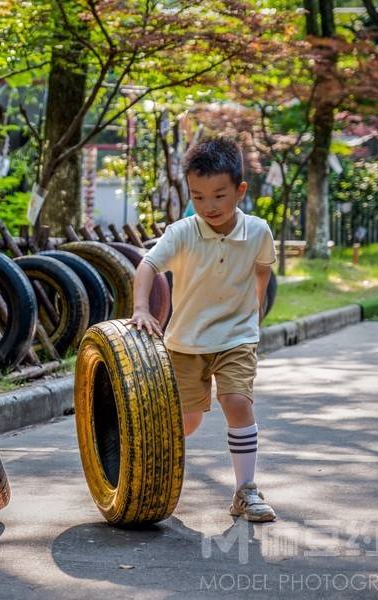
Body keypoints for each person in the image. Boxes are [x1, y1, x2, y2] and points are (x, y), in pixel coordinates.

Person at [129, 137, 277, 522]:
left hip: (237, 337)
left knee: (237, 402)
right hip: (186, 340)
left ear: (240, 190)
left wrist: (255, 311)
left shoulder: (258, 231)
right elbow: (147, 267)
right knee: (186, 420)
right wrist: (142, 308)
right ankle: (152, 475)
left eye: (219, 195)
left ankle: (246, 491)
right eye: (198, 196)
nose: (209, 206)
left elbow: (262, 269)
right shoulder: (182, 232)